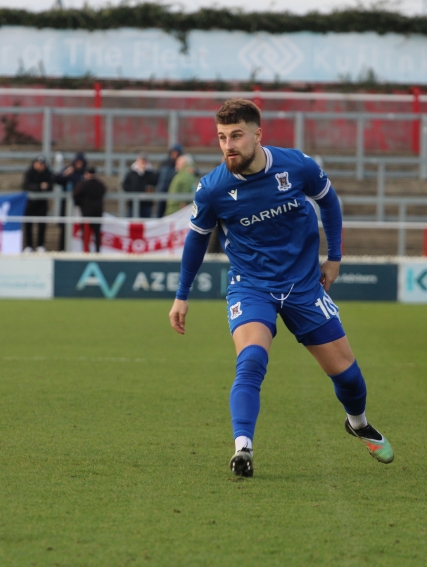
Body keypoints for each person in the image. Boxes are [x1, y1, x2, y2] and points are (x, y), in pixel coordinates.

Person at [168, 99, 394, 478]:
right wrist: (181, 295)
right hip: (251, 286)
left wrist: (334, 257)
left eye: (236, 136)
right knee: (251, 361)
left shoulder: (297, 165)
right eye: (222, 137)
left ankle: (358, 423)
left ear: (258, 134)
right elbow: (196, 239)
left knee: (348, 377)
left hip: (304, 286)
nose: (228, 146)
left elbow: (329, 203)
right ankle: (243, 448)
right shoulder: (213, 188)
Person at [54, 152, 88, 250]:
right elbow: (57, 180)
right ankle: (62, 249)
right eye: (77, 162)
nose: (79, 164)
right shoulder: (69, 170)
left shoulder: (85, 173)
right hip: (67, 204)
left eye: (81, 162)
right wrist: (64, 174)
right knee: (65, 228)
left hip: (80, 205)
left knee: (80, 228)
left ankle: (79, 249)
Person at [22, 155, 53, 252]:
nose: (40, 166)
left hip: (42, 203)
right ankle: (29, 245)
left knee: (42, 225)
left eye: (42, 164)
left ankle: (40, 245)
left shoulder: (48, 173)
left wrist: (47, 186)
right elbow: (26, 186)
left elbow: (51, 185)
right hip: (30, 203)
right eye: (39, 164)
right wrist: (39, 186)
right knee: (28, 225)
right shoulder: (29, 172)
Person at [73, 166, 107, 252]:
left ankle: (86, 252)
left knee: (86, 234)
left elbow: (75, 195)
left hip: (86, 213)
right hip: (98, 212)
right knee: (97, 234)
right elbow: (104, 191)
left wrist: (79, 204)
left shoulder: (83, 185)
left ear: (87, 174)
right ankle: (97, 252)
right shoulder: (100, 185)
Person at [123, 153, 158, 218]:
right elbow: (125, 185)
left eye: (145, 162)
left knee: (146, 221)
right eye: (142, 162)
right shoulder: (131, 173)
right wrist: (133, 192)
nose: (143, 164)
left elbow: (154, 184)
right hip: (133, 203)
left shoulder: (151, 174)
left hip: (147, 203)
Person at [156, 144, 183, 217]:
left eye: (177, 153)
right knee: (160, 213)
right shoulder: (164, 163)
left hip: (173, 193)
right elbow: (158, 176)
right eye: (173, 152)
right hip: (162, 191)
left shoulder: (180, 164)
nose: (174, 155)